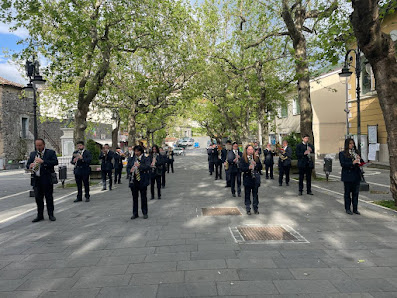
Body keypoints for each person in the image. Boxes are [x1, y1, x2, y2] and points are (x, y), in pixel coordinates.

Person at [27, 138, 59, 222]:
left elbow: (55, 162)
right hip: (36, 179)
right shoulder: (33, 154)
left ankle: (51, 214)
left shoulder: (50, 153)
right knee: (38, 198)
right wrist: (29, 166)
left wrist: (43, 162)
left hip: (47, 179)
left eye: (40, 145)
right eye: (37, 145)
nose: (38, 147)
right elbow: (28, 165)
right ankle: (40, 215)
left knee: (49, 198)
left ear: (44, 145)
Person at [339, 138, 363, 215]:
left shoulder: (356, 152)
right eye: (350, 144)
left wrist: (360, 160)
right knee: (347, 193)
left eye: (353, 143)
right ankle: (348, 208)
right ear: (347, 144)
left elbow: (361, 162)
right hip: (348, 176)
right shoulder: (342, 153)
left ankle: (355, 208)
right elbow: (343, 164)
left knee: (355, 193)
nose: (352, 145)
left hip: (356, 175)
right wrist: (352, 163)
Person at [127, 145, 151, 219]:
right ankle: (135, 213)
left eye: (138, 151)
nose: (136, 153)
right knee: (134, 198)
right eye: (135, 151)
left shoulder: (145, 158)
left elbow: (148, 167)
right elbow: (128, 167)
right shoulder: (131, 159)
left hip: (142, 180)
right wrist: (130, 171)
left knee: (143, 197)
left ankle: (144, 212)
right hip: (133, 180)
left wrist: (139, 166)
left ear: (141, 152)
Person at [240, 144, 262, 215]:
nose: (250, 151)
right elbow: (241, 168)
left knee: (255, 194)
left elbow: (260, 167)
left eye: (252, 149)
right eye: (249, 149)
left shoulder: (256, 158)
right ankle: (248, 208)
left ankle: (255, 208)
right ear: (246, 151)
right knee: (247, 194)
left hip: (255, 178)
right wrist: (248, 168)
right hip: (247, 178)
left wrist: (256, 164)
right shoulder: (243, 158)